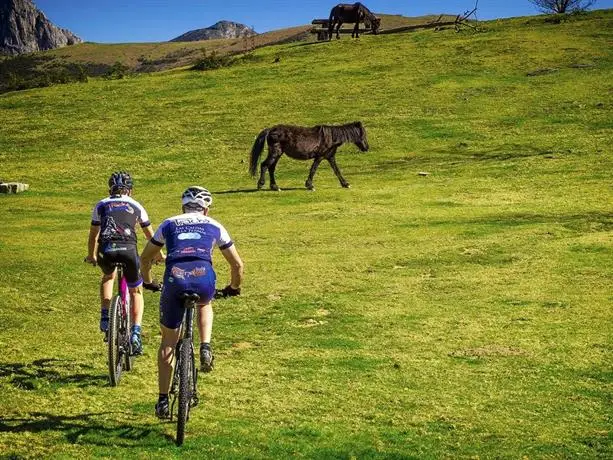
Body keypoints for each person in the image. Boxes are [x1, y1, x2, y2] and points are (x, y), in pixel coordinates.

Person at [140, 186, 244, 418]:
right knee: (205, 302)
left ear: (182, 207)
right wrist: (234, 288)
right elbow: (237, 265)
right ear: (206, 209)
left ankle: (163, 400)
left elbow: (146, 257)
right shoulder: (215, 225)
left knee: (168, 341)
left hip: (173, 278)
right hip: (202, 277)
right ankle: (205, 346)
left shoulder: (169, 223)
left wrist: (148, 282)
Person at [85, 171, 161, 355]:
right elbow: (151, 236)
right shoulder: (136, 205)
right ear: (130, 191)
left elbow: (94, 235)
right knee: (136, 290)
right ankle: (135, 332)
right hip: (128, 249)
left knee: (108, 277)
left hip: (107, 249)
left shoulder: (101, 204)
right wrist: (159, 255)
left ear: (110, 189)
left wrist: (91, 256)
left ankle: (105, 316)